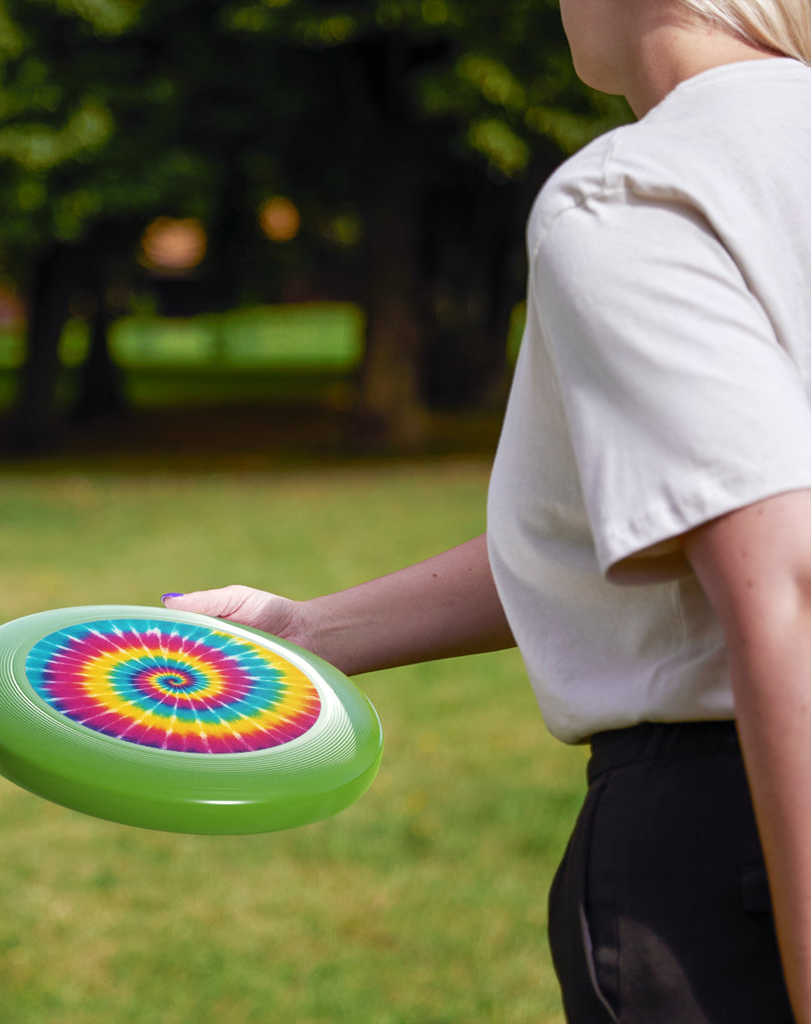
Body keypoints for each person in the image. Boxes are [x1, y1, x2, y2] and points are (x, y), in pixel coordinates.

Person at [162, 1, 811, 1021]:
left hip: (738, 844)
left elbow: (786, 585)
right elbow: (653, 526)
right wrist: (307, 631)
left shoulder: (639, 191)